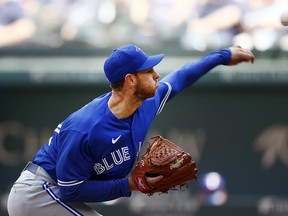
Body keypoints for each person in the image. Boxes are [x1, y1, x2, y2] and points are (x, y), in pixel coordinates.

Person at [7, 43, 255, 216]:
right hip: (38, 194)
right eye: (149, 71)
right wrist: (130, 185)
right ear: (130, 80)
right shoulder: (86, 127)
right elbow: (70, 189)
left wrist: (222, 56)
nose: (157, 75)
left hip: (53, 195)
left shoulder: (146, 104)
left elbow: (181, 77)